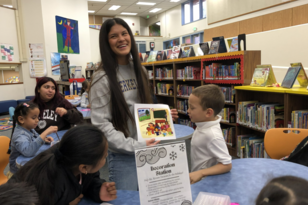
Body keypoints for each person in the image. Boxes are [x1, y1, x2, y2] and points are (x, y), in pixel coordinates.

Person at [90, 17, 178, 191]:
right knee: (127, 201)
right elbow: (101, 125)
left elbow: (144, 108)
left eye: (124, 33)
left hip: (149, 149)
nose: (121, 39)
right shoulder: (102, 78)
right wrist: (135, 146)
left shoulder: (140, 70)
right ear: (106, 43)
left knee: (153, 198)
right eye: (114, 36)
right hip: (124, 155)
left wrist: (163, 117)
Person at [8, 125, 117, 205]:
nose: (106, 155)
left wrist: (98, 190)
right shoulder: (50, 182)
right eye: (104, 156)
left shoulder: (77, 157)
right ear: (83, 167)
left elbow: (89, 180)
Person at [188, 84, 232, 184]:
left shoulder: (212, 135)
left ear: (208, 113)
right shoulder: (203, 124)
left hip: (205, 181)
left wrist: (201, 173)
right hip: (197, 177)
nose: (188, 111)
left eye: (192, 108)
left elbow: (227, 164)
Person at [7, 102, 58, 177]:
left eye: (38, 117)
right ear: (21, 119)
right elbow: (28, 152)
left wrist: (44, 139)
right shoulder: (20, 135)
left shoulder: (29, 129)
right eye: (34, 118)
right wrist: (44, 133)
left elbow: (36, 138)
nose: (37, 120)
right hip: (18, 174)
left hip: (29, 167)